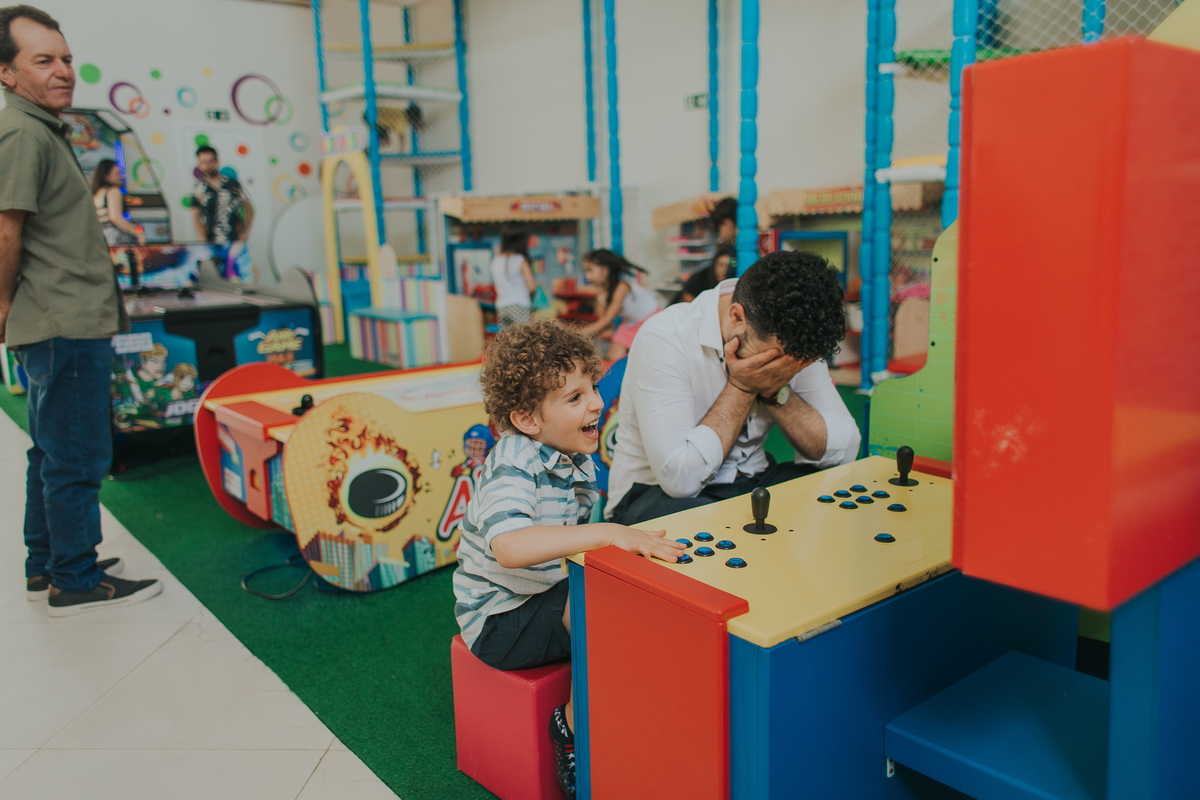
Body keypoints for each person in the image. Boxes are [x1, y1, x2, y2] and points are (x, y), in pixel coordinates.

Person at [452, 320, 685, 798]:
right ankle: (572, 726)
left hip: (538, 594)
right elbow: (511, 547)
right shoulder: (514, 461)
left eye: (593, 387)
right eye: (575, 397)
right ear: (527, 419)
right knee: (599, 607)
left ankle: (626, 710)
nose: (596, 403)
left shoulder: (570, 455)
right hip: (497, 620)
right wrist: (608, 532)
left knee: (627, 595)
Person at [0, 4, 161, 614]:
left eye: (66, 58)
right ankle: (73, 575)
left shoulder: (42, 129)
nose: (63, 70)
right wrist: (2, 305)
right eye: (43, 60)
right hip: (62, 320)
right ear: (7, 73)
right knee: (77, 454)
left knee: (50, 449)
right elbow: (6, 229)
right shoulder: (22, 133)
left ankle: (46, 563)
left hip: (62, 318)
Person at [606, 250, 862, 525]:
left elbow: (844, 451)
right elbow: (680, 481)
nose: (781, 369)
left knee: (837, 494)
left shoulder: (796, 337)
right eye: (771, 361)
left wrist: (776, 391)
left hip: (752, 480)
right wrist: (741, 386)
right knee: (704, 526)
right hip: (653, 493)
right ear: (737, 317)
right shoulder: (665, 336)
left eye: (794, 366)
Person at [575, 249, 661, 361]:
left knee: (644, 355)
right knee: (614, 356)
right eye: (585, 271)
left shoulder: (622, 287)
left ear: (605, 270)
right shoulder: (602, 292)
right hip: (630, 322)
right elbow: (602, 319)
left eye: (590, 271)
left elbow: (607, 320)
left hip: (649, 319)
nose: (587, 276)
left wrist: (578, 334)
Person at [191, 144, 253, 247]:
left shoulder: (234, 184)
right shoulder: (198, 189)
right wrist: (202, 238)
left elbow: (248, 207)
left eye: (211, 161)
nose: (208, 165)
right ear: (200, 165)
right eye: (204, 162)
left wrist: (244, 233)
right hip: (211, 242)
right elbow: (195, 215)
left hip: (235, 240)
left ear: (217, 161)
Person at [90, 157, 144, 246]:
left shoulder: (96, 194)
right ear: (106, 176)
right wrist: (138, 233)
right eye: (117, 173)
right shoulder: (113, 191)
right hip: (115, 238)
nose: (121, 177)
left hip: (100, 238)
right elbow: (116, 217)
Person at [490, 229, 536, 328]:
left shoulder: (495, 261)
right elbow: (532, 287)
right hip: (520, 304)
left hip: (502, 306)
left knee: (507, 337)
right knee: (524, 336)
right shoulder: (520, 260)